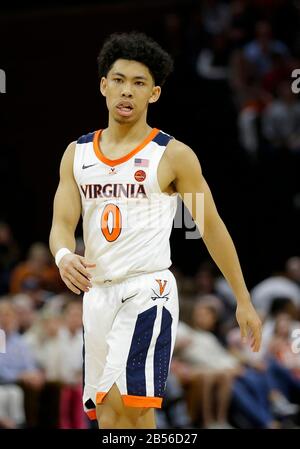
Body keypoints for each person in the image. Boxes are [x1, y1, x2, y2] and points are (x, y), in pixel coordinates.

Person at [49, 31, 262, 429]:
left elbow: (211, 227)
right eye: (118, 80)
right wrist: (63, 256)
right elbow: (61, 225)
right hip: (97, 294)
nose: (126, 91)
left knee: (130, 403)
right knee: (109, 415)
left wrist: (242, 298)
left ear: (155, 94)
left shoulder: (172, 155)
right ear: (103, 85)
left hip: (148, 289)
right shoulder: (76, 154)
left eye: (138, 83)